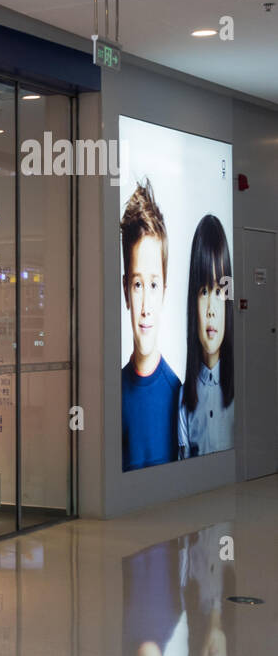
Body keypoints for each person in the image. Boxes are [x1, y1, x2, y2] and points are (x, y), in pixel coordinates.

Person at [120, 180, 180, 470]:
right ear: (125, 292)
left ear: (165, 292)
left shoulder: (179, 395)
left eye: (153, 285)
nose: (145, 307)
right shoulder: (112, 393)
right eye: (137, 284)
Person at [178, 214, 234, 458]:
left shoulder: (240, 389)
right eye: (203, 291)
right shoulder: (184, 398)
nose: (211, 308)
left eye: (219, 292)